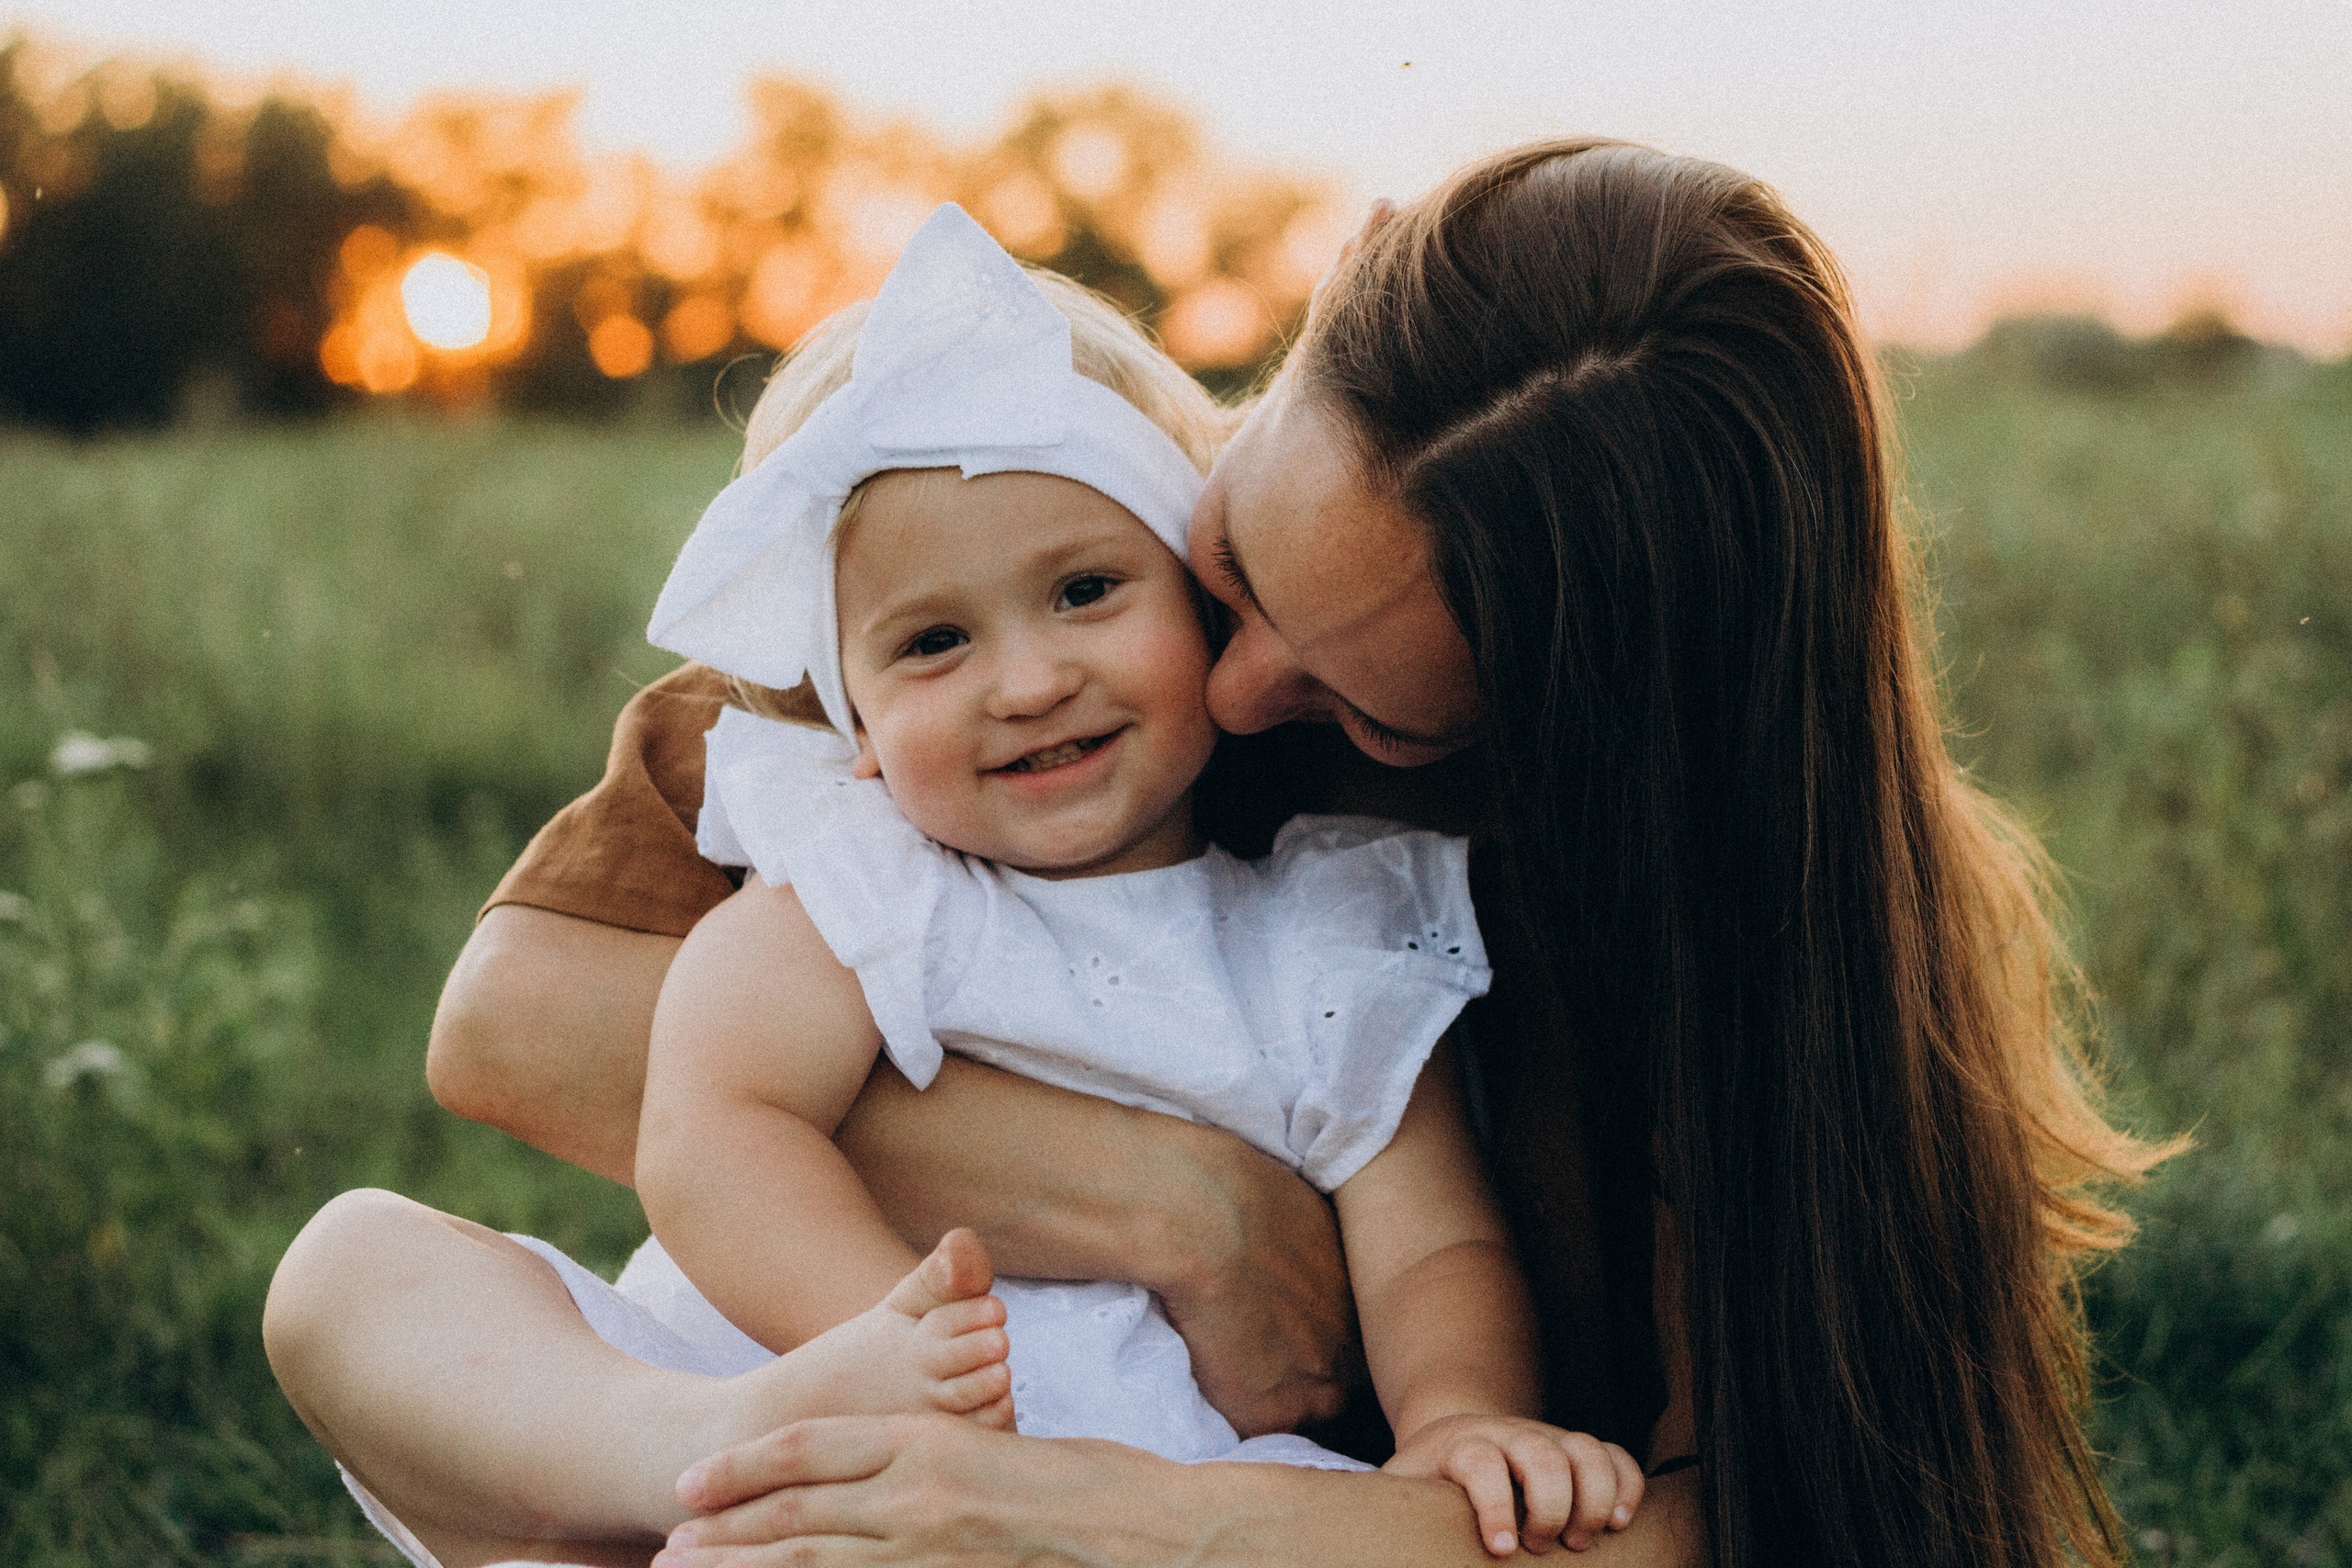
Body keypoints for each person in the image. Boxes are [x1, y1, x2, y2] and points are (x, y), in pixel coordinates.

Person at [268, 137, 2175, 1568]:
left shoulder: (1460, 927)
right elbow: (528, 1030)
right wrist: (1132, 1222)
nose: (1229, 682)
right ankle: (703, 1466)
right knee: (363, 1272)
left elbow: (1738, 1504)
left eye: (1377, 713)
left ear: (1550, 743)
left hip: (1239, 1510)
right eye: (1236, 561)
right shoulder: (909, 704)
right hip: (813, 1405)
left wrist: (1152, 1493)